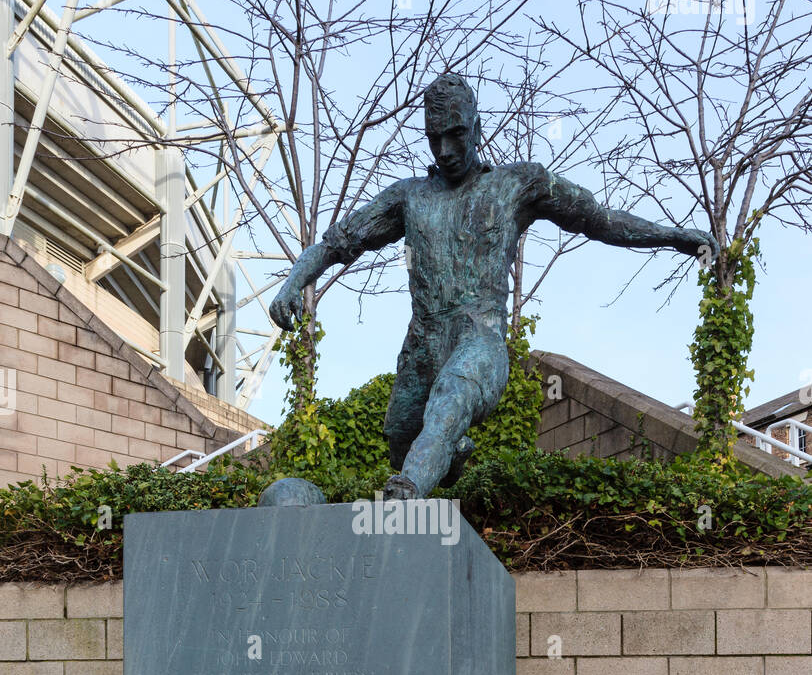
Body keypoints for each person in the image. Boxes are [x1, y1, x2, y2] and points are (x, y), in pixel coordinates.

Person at [271, 73, 717, 500]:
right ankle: (448, 455)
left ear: (477, 127)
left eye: (456, 134)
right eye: (434, 138)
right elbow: (337, 242)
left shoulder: (516, 184)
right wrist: (295, 281)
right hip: (422, 343)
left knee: (448, 402)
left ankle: (404, 497)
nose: (444, 150)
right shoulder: (409, 197)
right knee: (402, 436)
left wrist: (674, 236)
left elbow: (599, 219)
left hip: (478, 338)